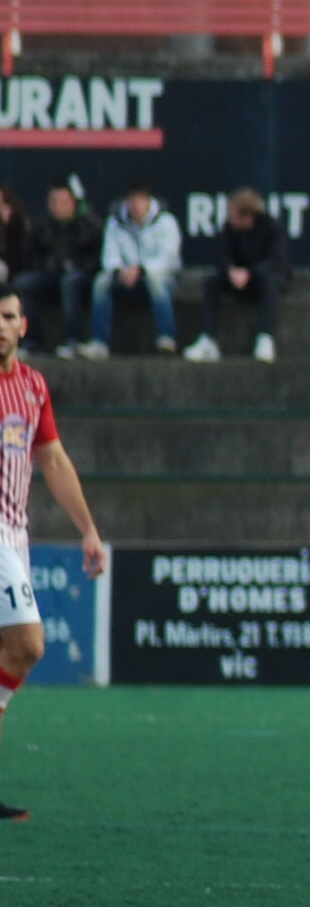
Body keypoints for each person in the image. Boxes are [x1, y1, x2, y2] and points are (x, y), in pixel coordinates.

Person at [0, 284, 107, 818]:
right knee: (29, 645)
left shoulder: (33, 387)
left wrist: (87, 528)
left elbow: (54, 460)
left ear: (22, 325)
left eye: (7, 316)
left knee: (11, 652)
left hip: (15, 533)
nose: (0, 324)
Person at [182, 188, 290, 365]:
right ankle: (208, 339)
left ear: (248, 216)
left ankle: (265, 337)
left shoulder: (272, 227)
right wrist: (231, 271)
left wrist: (251, 272)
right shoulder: (228, 229)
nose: (230, 218)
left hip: (261, 278)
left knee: (270, 282)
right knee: (212, 282)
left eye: (233, 214)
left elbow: (276, 259)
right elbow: (221, 255)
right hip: (236, 278)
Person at [76, 180, 180, 359]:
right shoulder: (115, 222)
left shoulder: (166, 221)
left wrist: (141, 270)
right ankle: (99, 342)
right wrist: (119, 271)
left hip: (160, 277)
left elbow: (167, 257)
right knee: (102, 281)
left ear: (149, 201)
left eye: (141, 200)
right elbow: (109, 255)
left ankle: (166, 337)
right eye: (132, 200)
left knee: (156, 279)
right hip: (125, 278)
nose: (136, 205)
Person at [14, 181, 101, 358]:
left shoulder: (90, 225)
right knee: (22, 284)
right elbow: (32, 257)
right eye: (53, 202)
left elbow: (97, 259)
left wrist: (73, 266)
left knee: (70, 282)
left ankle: (72, 339)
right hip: (50, 275)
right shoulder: (42, 226)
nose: (57, 207)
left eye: (63, 202)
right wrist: (51, 265)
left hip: (80, 278)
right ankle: (32, 341)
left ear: (73, 203)